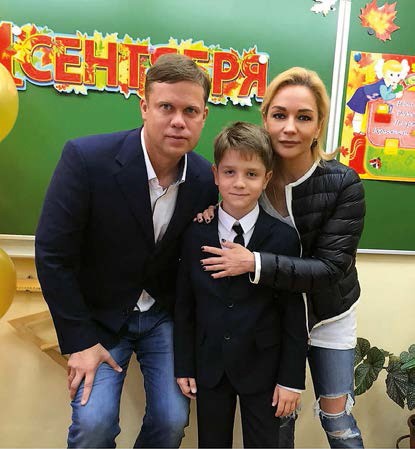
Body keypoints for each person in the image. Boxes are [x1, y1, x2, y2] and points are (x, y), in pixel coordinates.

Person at [35, 53, 218, 448]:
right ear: (144, 106)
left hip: (162, 317)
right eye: (166, 107)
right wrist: (79, 342)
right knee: (95, 424)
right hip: (98, 319)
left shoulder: (208, 179)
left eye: (190, 110)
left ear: (204, 116)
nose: (178, 121)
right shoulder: (86, 159)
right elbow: (52, 255)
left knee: (172, 421)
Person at [198, 67, 366, 448]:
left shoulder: (343, 183)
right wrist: (212, 211)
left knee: (337, 419)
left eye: (303, 117)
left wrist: (254, 263)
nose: (289, 128)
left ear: (319, 125)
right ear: (266, 119)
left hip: (328, 314)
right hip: (274, 317)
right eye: (279, 115)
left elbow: (331, 267)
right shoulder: (252, 175)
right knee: (278, 420)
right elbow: (228, 202)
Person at [174, 121, 308, 448]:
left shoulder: (283, 238)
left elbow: (293, 313)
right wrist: (184, 364)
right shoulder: (194, 233)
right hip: (210, 367)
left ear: (267, 178)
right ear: (216, 174)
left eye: (251, 174)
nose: (239, 183)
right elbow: (185, 305)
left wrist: (291, 380)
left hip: (264, 369)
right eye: (230, 172)